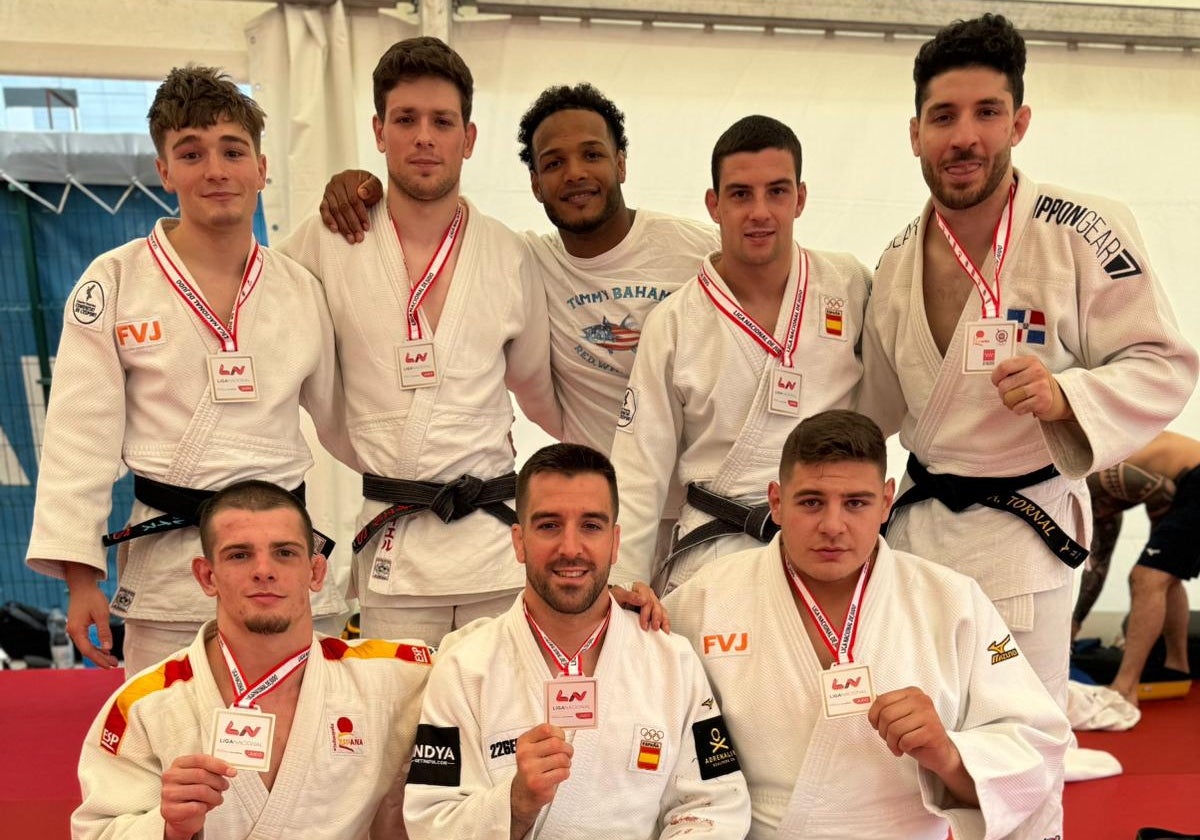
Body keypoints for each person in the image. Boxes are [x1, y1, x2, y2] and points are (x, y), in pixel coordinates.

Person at [858, 13, 1197, 711]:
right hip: (918, 537)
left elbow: (1164, 362)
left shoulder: (1083, 230)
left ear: (1020, 122)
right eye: (943, 116)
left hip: (1023, 533)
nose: (964, 137)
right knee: (916, 740)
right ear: (915, 132)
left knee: (1022, 742)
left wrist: (1068, 394)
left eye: (988, 112)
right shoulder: (892, 263)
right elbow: (869, 411)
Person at [25, 66, 355, 675]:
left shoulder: (299, 289)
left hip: (281, 556)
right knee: (166, 746)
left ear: (261, 167)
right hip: (170, 564)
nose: (216, 170)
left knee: (295, 739)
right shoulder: (116, 281)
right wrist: (80, 581)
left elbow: (346, 418)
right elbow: (80, 438)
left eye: (233, 151)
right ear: (164, 170)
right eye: (191, 153)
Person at [666, 410, 1071, 839]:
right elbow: (642, 704)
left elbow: (1036, 751)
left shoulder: (953, 602)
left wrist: (948, 753)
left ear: (886, 501)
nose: (833, 526)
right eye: (811, 502)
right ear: (776, 502)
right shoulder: (707, 597)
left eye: (856, 502)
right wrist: (627, 619)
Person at [278, 37, 561, 644]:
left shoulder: (509, 254)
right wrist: (354, 440)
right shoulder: (330, 238)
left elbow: (538, 387)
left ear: (470, 137)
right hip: (395, 545)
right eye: (405, 120)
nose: (424, 137)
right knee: (398, 730)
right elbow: (269, 334)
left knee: (500, 727)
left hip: (492, 550)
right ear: (379, 131)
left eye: (442, 121)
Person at [319, 81, 717, 456]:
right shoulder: (523, 261)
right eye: (554, 162)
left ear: (621, 164)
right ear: (536, 184)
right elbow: (431, 219)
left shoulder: (699, 250)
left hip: (704, 501)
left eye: (592, 155)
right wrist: (358, 186)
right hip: (608, 499)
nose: (575, 172)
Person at [402, 443, 751, 839]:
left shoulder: (671, 660)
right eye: (549, 525)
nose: (571, 548)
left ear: (615, 541)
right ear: (519, 541)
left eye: (591, 525)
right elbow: (429, 822)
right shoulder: (465, 667)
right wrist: (514, 805)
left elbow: (715, 803)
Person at [72, 480, 432, 840]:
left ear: (316, 572)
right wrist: (167, 829)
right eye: (239, 555)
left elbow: (479, 665)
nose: (264, 570)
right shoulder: (146, 705)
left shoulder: (391, 678)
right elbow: (96, 832)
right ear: (206, 576)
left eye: (285, 553)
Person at [610, 115, 869, 593]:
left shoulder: (848, 285)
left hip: (832, 542)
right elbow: (639, 465)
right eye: (740, 194)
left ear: (801, 197)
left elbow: (885, 403)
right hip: (717, 547)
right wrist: (624, 579)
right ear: (714, 204)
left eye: (777, 191)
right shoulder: (674, 321)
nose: (760, 212)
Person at [1081, 431, 1198, 706]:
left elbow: (1162, 493)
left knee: (1146, 577)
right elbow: (1098, 565)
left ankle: (1125, 687)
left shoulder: (1091, 475)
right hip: (1187, 485)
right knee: (1165, 578)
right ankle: (1176, 667)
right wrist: (1077, 622)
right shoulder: (1097, 491)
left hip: (1194, 479)